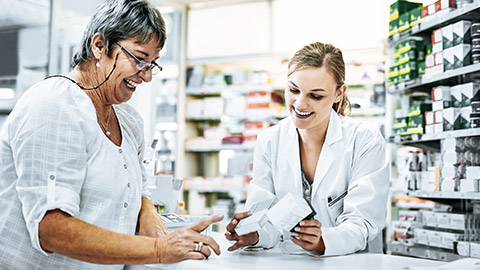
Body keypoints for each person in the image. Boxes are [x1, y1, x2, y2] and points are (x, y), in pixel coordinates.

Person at [0, 0, 221, 269]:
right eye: (139, 59)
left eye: (153, 63)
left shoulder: (128, 120)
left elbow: (137, 187)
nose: (147, 76)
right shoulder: (55, 104)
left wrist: (148, 213)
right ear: (100, 46)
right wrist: (159, 250)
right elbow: (51, 228)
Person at [225, 42, 389, 256]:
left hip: (349, 263)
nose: (300, 104)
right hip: (288, 263)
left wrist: (324, 241)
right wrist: (253, 234)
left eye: (316, 95)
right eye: (293, 90)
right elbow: (266, 218)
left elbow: (363, 223)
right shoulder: (270, 140)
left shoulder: (365, 141)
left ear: (339, 93)